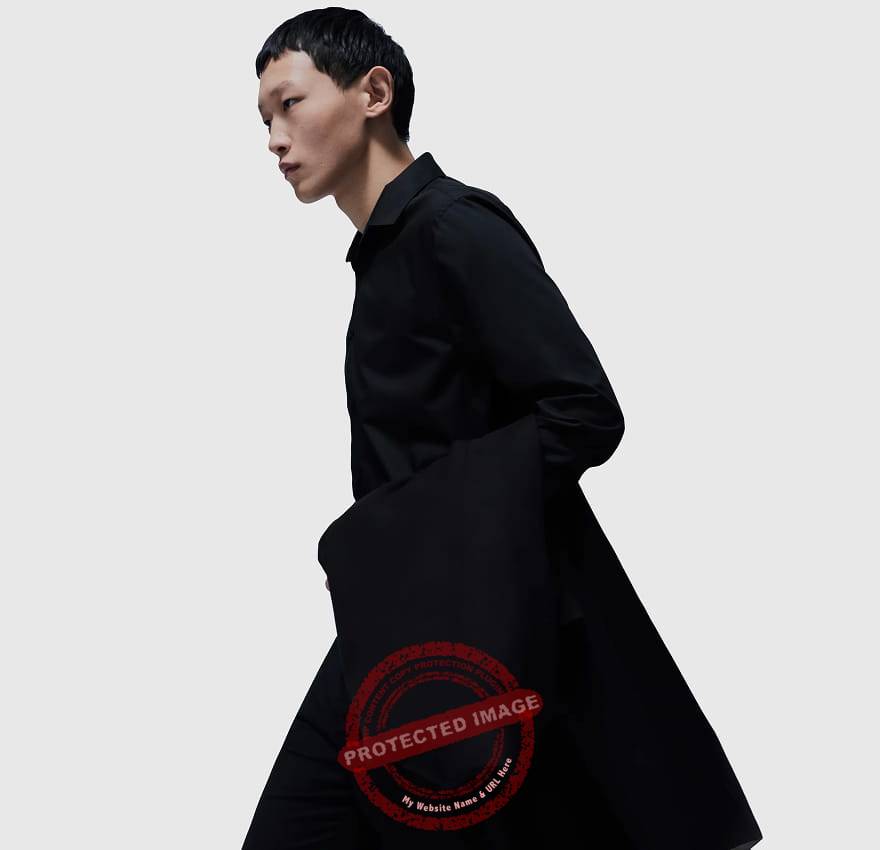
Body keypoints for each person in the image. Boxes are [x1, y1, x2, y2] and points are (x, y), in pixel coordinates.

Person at [244, 8, 764, 850]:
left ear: (373, 93)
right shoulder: (386, 254)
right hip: (412, 618)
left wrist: (420, 527)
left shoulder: (452, 227)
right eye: (263, 117)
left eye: (290, 103)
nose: (273, 137)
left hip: (482, 616)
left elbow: (584, 410)